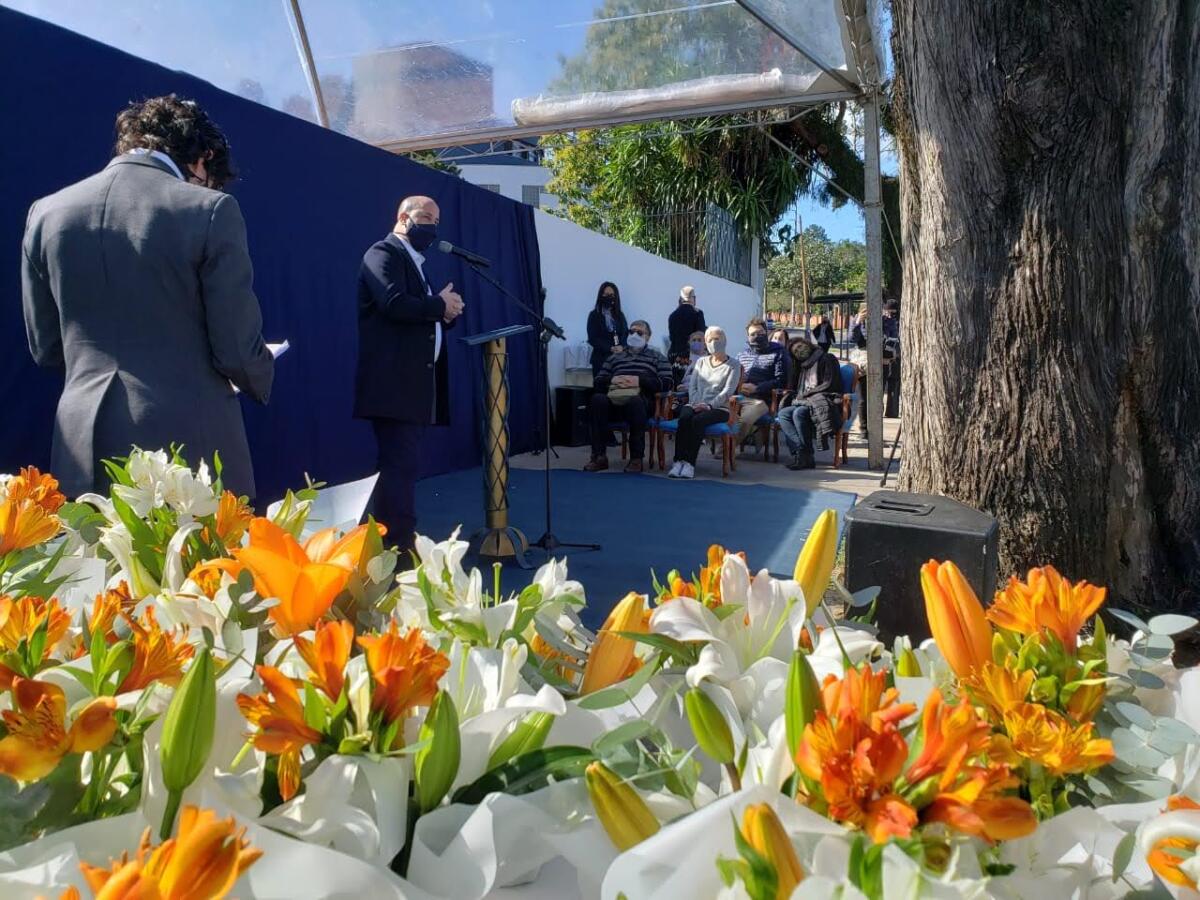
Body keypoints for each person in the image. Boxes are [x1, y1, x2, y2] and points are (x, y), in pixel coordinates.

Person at [21, 95, 274, 499]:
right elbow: (236, 350)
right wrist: (261, 371)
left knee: (92, 542)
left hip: (81, 438)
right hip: (186, 442)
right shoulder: (210, 210)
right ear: (202, 159)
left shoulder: (46, 213)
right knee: (195, 543)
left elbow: (47, 347)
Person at [354, 195, 464, 553]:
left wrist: (446, 312)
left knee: (403, 467)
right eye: (426, 217)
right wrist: (438, 305)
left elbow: (418, 313)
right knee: (397, 468)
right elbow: (394, 303)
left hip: (414, 386)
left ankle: (392, 544)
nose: (432, 226)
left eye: (436, 220)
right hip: (393, 386)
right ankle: (396, 549)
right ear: (403, 217)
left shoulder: (416, 263)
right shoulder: (382, 253)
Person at [583, 320, 672, 473]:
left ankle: (636, 459)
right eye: (631, 332)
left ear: (648, 337)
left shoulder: (657, 357)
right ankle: (599, 456)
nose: (634, 335)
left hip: (641, 402)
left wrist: (639, 380)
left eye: (639, 332)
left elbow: (667, 383)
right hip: (615, 399)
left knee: (635, 402)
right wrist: (613, 380)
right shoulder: (615, 357)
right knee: (597, 400)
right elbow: (598, 381)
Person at [668, 326, 739, 479]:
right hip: (695, 403)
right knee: (685, 417)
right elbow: (692, 386)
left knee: (698, 420)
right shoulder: (701, 362)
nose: (713, 342)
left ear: (725, 340)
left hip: (720, 408)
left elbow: (727, 391)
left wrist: (708, 405)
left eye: (717, 338)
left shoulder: (734, 364)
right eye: (710, 339)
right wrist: (696, 403)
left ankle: (689, 463)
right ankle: (678, 461)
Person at [777, 338, 844, 470]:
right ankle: (801, 452)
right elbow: (795, 387)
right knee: (783, 413)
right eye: (795, 351)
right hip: (804, 401)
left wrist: (808, 394)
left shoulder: (827, 358)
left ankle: (806, 456)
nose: (800, 351)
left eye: (800, 346)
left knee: (798, 413)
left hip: (825, 400)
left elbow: (829, 383)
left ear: (807, 344)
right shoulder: (801, 366)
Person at [735, 317, 787, 448]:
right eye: (753, 334)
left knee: (746, 418)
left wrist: (757, 388)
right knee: (718, 412)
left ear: (766, 333)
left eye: (760, 333)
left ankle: (727, 449)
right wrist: (740, 385)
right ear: (748, 337)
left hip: (762, 400)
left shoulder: (778, 353)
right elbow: (733, 376)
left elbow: (781, 381)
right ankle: (751, 434)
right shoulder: (742, 355)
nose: (757, 336)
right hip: (739, 396)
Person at [586, 282, 628, 378]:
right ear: (600, 295)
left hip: (619, 359)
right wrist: (610, 348)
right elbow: (592, 338)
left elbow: (625, 333)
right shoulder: (594, 315)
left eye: (611, 295)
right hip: (601, 359)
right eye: (606, 294)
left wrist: (622, 346)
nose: (609, 297)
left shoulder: (619, 315)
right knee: (601, 385)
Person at [667, 285, 706, 360]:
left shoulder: (672, 315)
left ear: (680, 299)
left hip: (674, 356)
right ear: (694, 299)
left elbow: (672, 337)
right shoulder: (697, 313)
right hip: (691, 357)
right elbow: (701, 335)